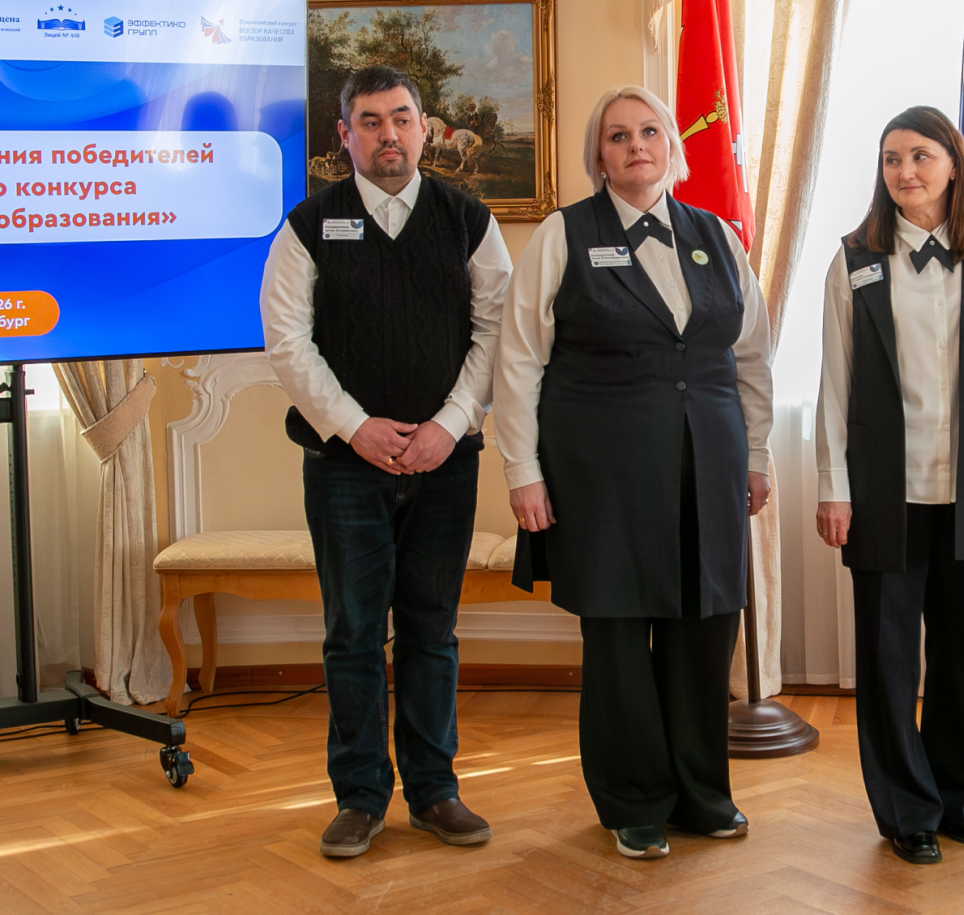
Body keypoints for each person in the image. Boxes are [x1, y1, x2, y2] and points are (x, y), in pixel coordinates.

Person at [493, 85, 772, 861]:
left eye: (650, 131)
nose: (636, 145)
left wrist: (756, 453)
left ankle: (701, 793)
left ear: (673, 147)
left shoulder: (716, 237)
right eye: (617, 135)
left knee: (704, 629)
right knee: (618, 636)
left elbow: (751, 356)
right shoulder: (563, 235)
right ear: (599, 155)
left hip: (708, 465)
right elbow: (518, 362)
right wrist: (522, 470)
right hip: (600, 473)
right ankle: (633, 801)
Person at [260, 65, 511, 858]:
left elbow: (496, 332)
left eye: (401, 118)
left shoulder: (468, 219)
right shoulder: (308, 225)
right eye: (369, 121)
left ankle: (435, 792)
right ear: (345, 135)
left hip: (446, 462)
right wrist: (355, 428)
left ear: (425, 127)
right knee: (353, 634)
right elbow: (287, 343)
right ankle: (360, 797)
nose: (388, 134)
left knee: (432, 629)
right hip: (344, 467)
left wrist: (449, 425)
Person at [814, 105, 964, 865]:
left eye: (920, 155)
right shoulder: (855, 258)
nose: (905, 171)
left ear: (953, 164)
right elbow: (835, 385)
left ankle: (955, 800)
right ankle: (905, 811)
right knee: (889, 661)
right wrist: (833, 485)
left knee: (960, 656)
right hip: (884, 492)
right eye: (892, 159)